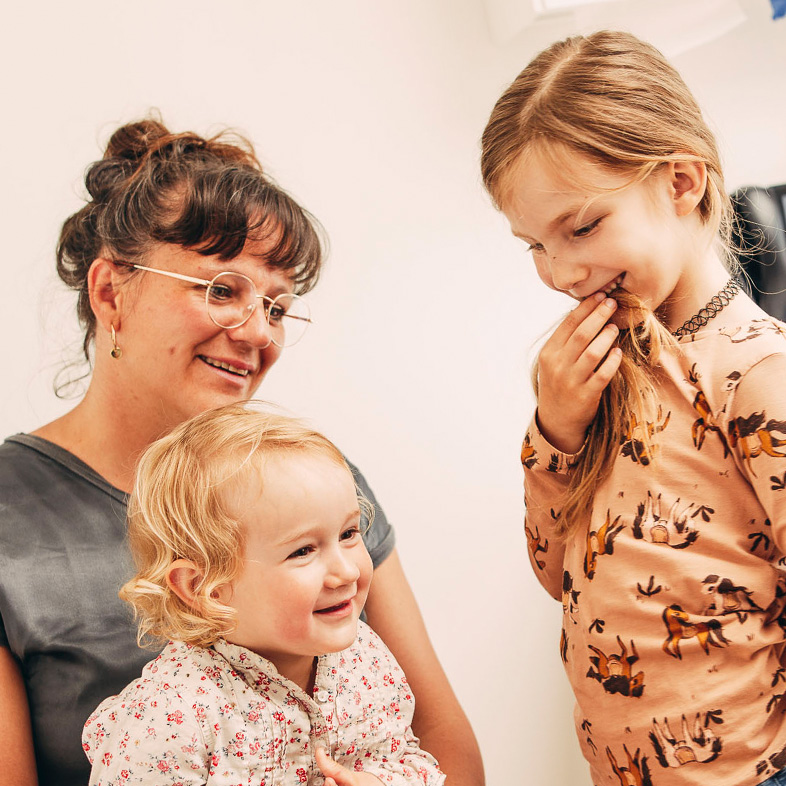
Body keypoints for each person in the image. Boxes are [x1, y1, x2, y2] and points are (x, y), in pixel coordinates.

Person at [0, 118, 483, 786]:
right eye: (222, 289)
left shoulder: (319, 485)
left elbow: (444, 745)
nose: (259, 333)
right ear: (111, 292)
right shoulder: (8, 521)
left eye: (279, 308)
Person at [481, 30, 786, 786]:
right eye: (534, 246)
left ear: (682, 182)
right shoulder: (597, 373)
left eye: (581, 227)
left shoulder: (755, 370)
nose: (561, 270)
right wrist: (556, 428)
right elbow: (556, 574)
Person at [82, 403, 445, 785]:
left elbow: (404, 758)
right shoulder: (171, 717)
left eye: (349, 534)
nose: (347, 571)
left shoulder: (365, 661)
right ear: (205, 588)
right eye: (303, 551)